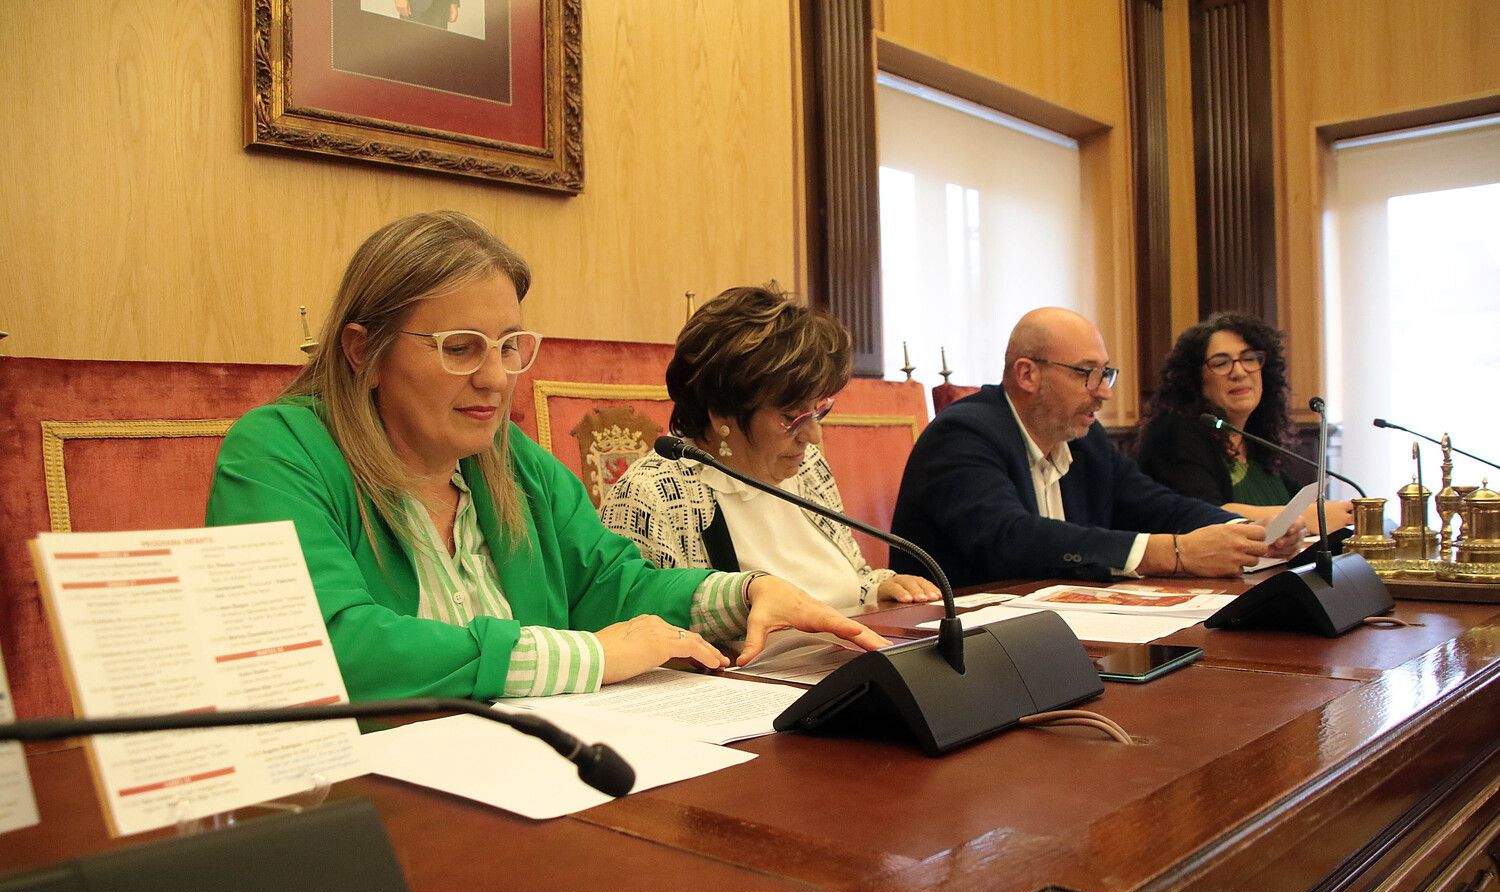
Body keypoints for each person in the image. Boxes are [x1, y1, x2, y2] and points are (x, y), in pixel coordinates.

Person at [206, 212, 886, 702]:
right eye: (460, 347)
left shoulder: (512, 463)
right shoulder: (278, 452)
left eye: (508, 347)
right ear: (364, 352)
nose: (498, 380)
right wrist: (585, 655)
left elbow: (614, 587)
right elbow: (324, 645)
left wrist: (738, 595)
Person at [601, 284, 941, 611]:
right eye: (791, 416)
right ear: (722, 412)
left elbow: (850, 577)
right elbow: (640, 624)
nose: (812, 435)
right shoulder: (651, 496)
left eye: (818, 411)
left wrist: (878, 588)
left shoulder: (807, 469)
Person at [890, 307, 1282, 586]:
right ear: (1027, 374)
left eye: (1106, 373)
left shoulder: (1085, 440)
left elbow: (1158, 505)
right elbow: (1011, 538)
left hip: (1054, 633)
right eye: (1087, 374)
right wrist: (1174, 553)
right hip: (965, 651)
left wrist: (1243, 532)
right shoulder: (962, 435)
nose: (1104, 393)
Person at [1137, 312, 1355, 531]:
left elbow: (1296, 503)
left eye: (1249, 359)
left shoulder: (1256, 439)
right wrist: (1308, 517)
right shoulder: (1173, 433)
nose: (1239, 372)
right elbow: (1204, 514)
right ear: (1195, 379)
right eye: (1221, 363)